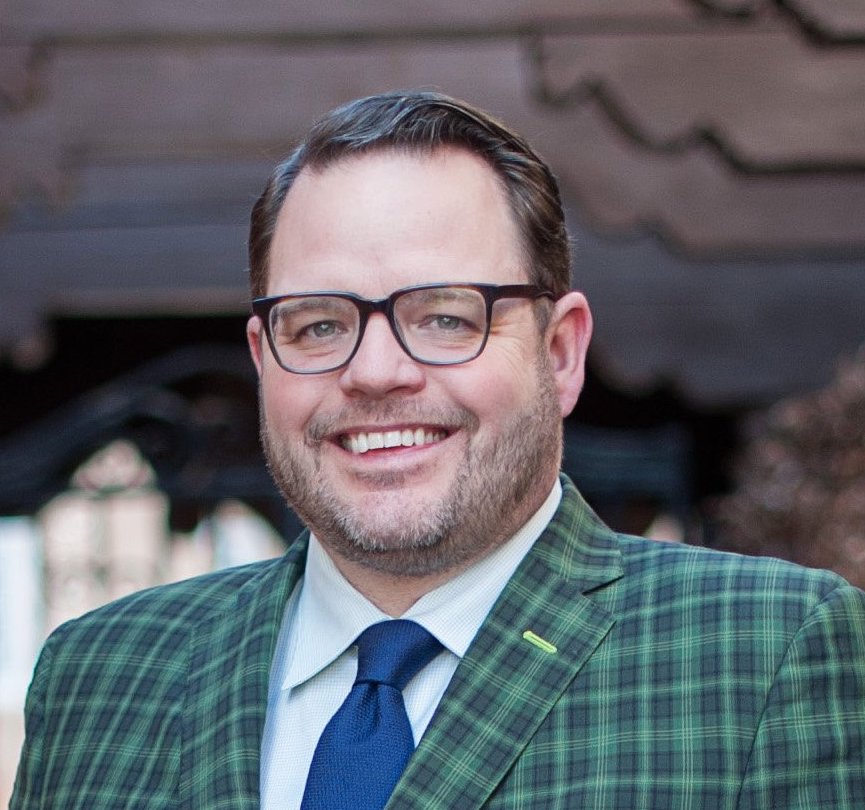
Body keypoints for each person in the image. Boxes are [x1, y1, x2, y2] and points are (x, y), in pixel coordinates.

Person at [11, 90, 865, 810]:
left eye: (446, 317)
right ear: (263, 359)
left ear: (559, 352)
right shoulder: (100, 675)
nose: (375, 372)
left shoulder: (767, 650)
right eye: (319, 326)